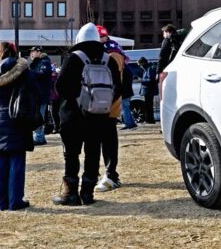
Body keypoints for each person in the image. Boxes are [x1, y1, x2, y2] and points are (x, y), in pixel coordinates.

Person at [52, 23, 121, 206]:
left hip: (72, 116)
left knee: (71, 154)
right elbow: (118, 88)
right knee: (93, 153)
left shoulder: (74, 58)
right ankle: (88, 193)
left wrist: (74, 101)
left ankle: (71, 194)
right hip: (98, 117)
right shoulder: (109, 59)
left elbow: (60, 86)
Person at [0, 41, 33, 211]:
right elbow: (33, 90)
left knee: (1, 162)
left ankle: (1, 200)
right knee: (17, 161)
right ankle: (15, 200)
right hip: (18, 117)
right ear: (14, 52)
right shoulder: (23, 70)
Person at [95, 25, 131, 193]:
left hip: (107, 103)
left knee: (108, 139)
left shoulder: (112, 53)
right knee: (100, 139)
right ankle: (102, 173)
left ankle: (111, 175)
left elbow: (114, 81)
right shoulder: (107, 51)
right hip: (100, 103)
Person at [29, 46, 53, 145]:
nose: (32, 54)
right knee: (38, 116)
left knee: (38, 116)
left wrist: (29, 72)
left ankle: (39, 137)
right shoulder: (37, 62)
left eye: (33, 52)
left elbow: (39, 74)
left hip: (41, 95)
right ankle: (40, 137)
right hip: (37, 94)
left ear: (39, 52)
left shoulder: (45, 62)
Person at [138, 57, 158, 124]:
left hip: (149, 91)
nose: (140, 66)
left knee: (148, 106)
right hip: (148, 90)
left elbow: (150, 80)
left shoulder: (149, 69)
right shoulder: (146, 69)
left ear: (143, 63)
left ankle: (150, 120)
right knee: (148, 106)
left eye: (140, 65)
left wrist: (141, 81)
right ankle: (148, 120)